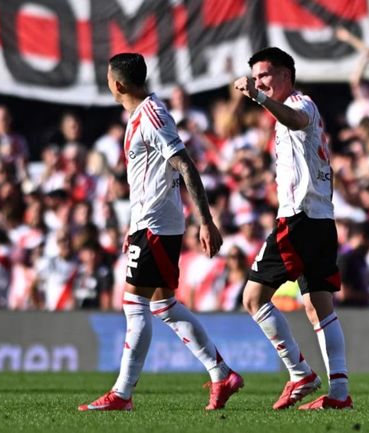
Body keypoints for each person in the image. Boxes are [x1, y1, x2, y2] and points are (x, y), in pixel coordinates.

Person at [79, 53, 242, 412]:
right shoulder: (138, 116)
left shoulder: (152, 116)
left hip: (156, 224)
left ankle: (122, 394)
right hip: (147, 222)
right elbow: (147, 179)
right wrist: (131, 225)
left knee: (134, 305)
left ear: (118, 84)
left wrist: (206, 220)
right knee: (163, 305)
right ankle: (221, 373)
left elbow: (184, 164)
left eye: (108, 79)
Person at [234, 47, 353, 410]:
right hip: (320, 219)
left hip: (299, 219)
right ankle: (339, 394)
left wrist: (256, 97)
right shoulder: (284, 112)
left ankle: (299, 372)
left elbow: (297, 120)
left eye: (265, 76)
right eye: (255, 79)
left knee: (253, 299)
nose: (259, 84)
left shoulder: (302, 105)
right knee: (319, 306)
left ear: (286, 75)